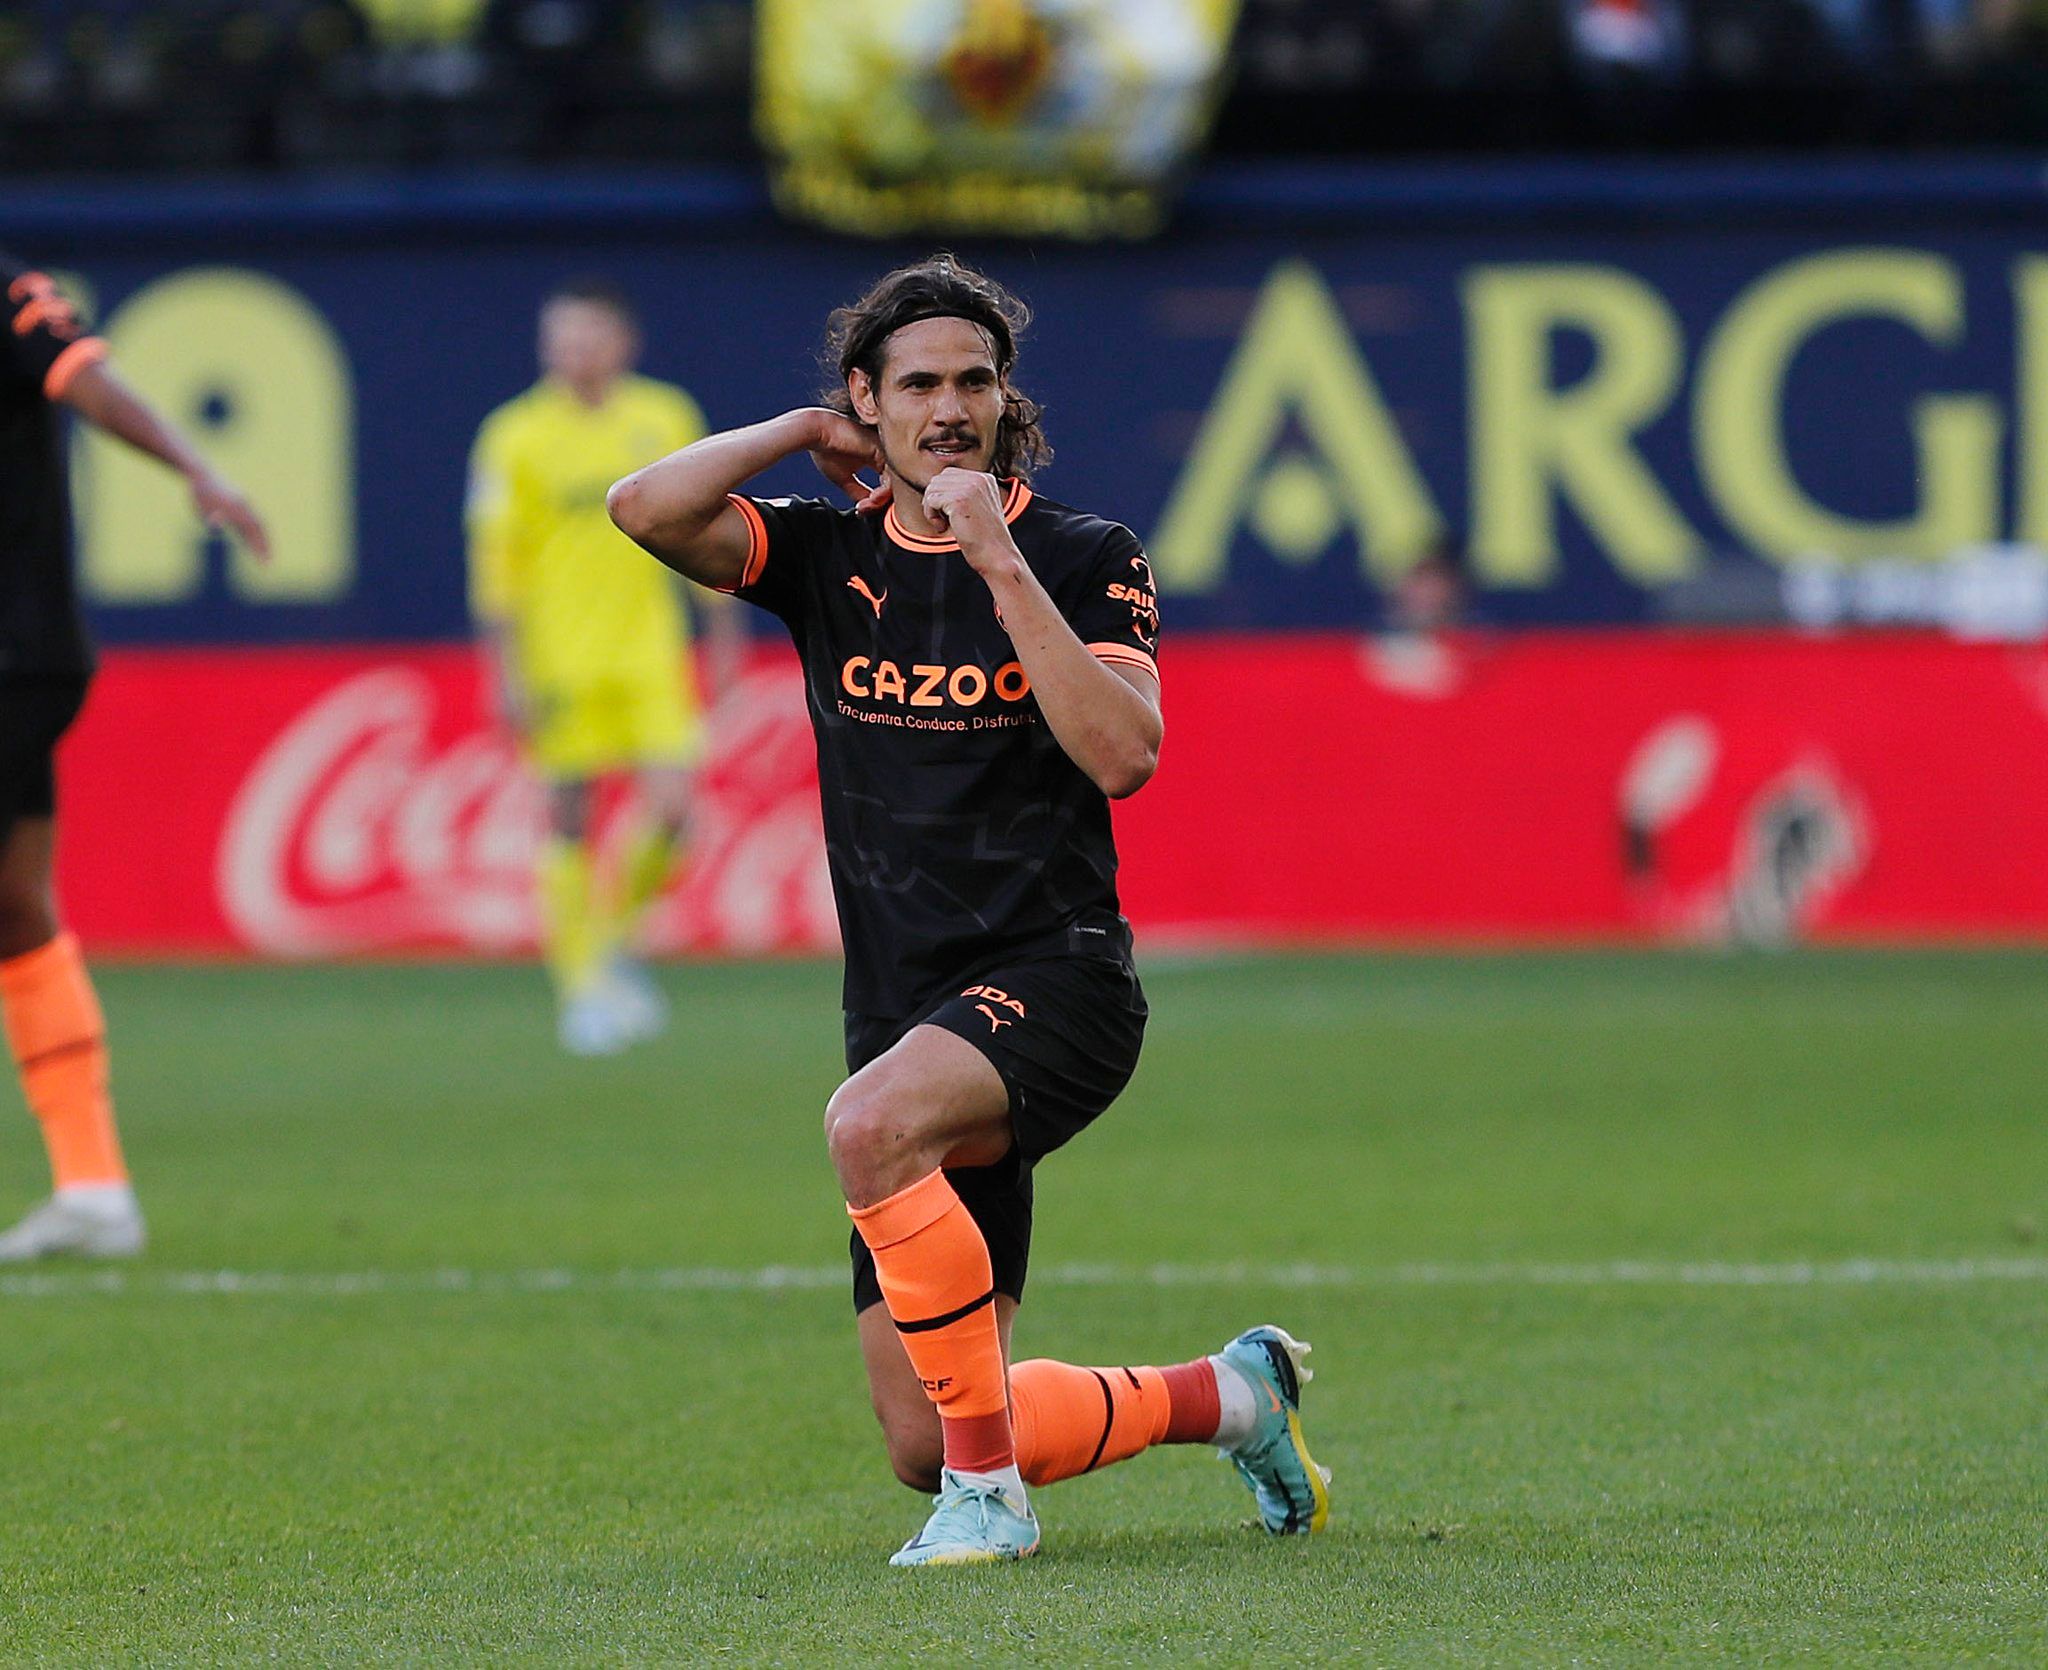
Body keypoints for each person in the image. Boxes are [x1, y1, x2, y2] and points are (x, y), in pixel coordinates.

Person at [607, 254, 1330, 1565]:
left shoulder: (1084, 554)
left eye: (976, 381)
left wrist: (997, 558)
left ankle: (993, 1507)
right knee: (925, 1436)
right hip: (900, 1007)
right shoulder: (826, 551)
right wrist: (794, 436)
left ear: (1007, 402)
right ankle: (1230, 1395)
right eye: (919, 384)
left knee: (869, 1127)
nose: (951, 406)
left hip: (1057, 982)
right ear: (868, 404)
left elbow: (1124, 753)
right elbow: (643, 506)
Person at [0, 251, 270, 1262]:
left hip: (12, 648)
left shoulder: (8, 291)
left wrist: (195, 465)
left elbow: (82, 376)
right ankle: (93, 1185)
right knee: (18, 905)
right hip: (29, 658)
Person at [466, 278, 738, 1055]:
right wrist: (504, 671)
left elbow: (709, 535)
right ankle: (581, 988)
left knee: (677, 810)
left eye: (589, 337)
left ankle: (610, 945)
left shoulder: (665, 417)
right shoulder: (513, 437)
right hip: (559, 658)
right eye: (561, 339)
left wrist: (719, 640)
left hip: (648, 652)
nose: (574, 352)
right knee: (568, 815)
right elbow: (497, 563)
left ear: (623, 344)